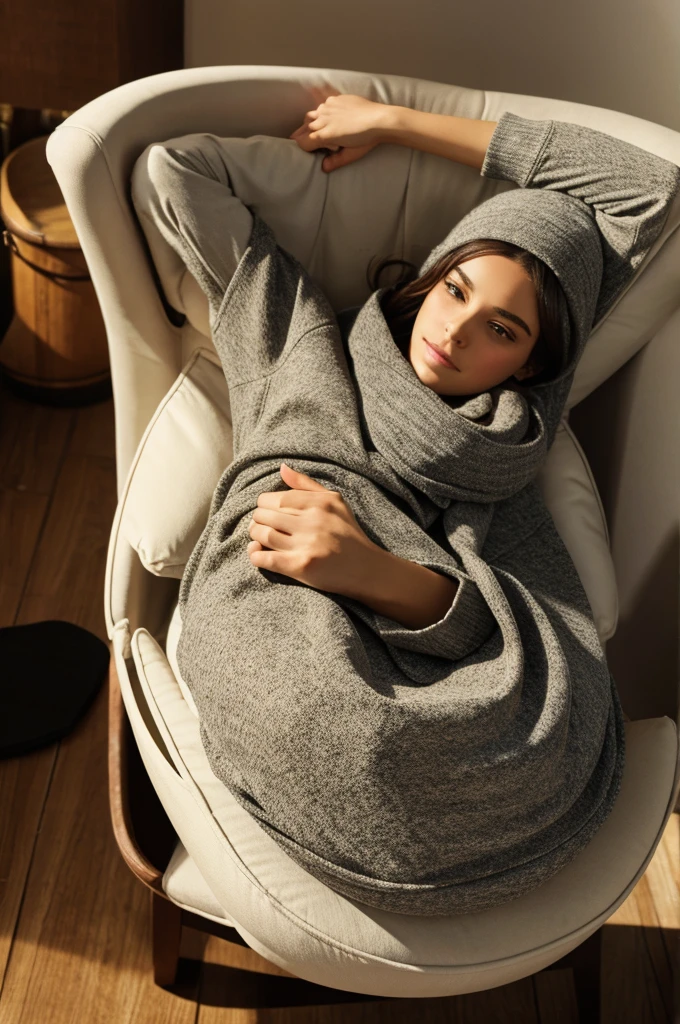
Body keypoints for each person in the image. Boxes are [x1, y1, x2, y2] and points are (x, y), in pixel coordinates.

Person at [130, 97, 679, 915]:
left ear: (534, 364)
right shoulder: (299, 332)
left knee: (538, 733)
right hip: (282, 608)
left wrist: (377, 573)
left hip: (426, 620)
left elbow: (650, 189)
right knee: (325, 716)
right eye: (454, 288)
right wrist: (377, 118)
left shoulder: (514, 446)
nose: (454, 333)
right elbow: (173, 170)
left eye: (500, 329)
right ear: (433, 273)